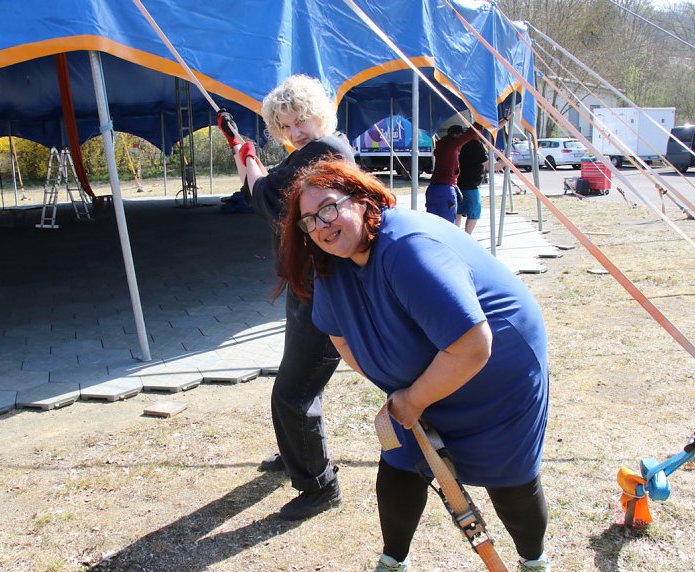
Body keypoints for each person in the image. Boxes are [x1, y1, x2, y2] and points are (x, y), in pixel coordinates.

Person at [276, 159, 551, 572]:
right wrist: (402, 391)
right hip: (418, 388)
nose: (321, 225)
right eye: (309, 221)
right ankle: (392, 561)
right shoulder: (331, 261)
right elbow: (341, 336)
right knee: (400, 465)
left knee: (509, 479)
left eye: (330, 208)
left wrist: (412, 396)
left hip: (496, 377)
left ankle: (533, 562)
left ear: (362, 198)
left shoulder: (407, 247)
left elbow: (474, 345)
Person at [215, 74, 355, 521]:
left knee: (293, 394)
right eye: (286, 126)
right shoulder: (315, 153)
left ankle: (319, 487)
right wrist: (246, 154)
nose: (295, 132)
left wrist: (247, 157)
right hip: (310, 285)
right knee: (298, 383)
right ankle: (296, 454)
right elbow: (269, 190)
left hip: (328, 291)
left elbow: (268, 197)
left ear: (320, 114)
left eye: (302, 120)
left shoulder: (325, 152)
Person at [425, 124, 477, 223]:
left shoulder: (440, 145)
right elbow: (470, 133)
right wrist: (480, 121)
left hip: (432, 189)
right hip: (445, 190)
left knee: (432, 223)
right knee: (447, 224)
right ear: (456, 135)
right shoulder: (452, 146)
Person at [455, 124, 489, 234]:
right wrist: (505, 162)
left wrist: (506, 119)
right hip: (471, 185)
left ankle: (456, 235)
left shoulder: (464, 144)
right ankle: (467, 237)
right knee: (474, 212)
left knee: (458, 211)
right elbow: (489, 165)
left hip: (460, 182)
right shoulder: (475, 145)